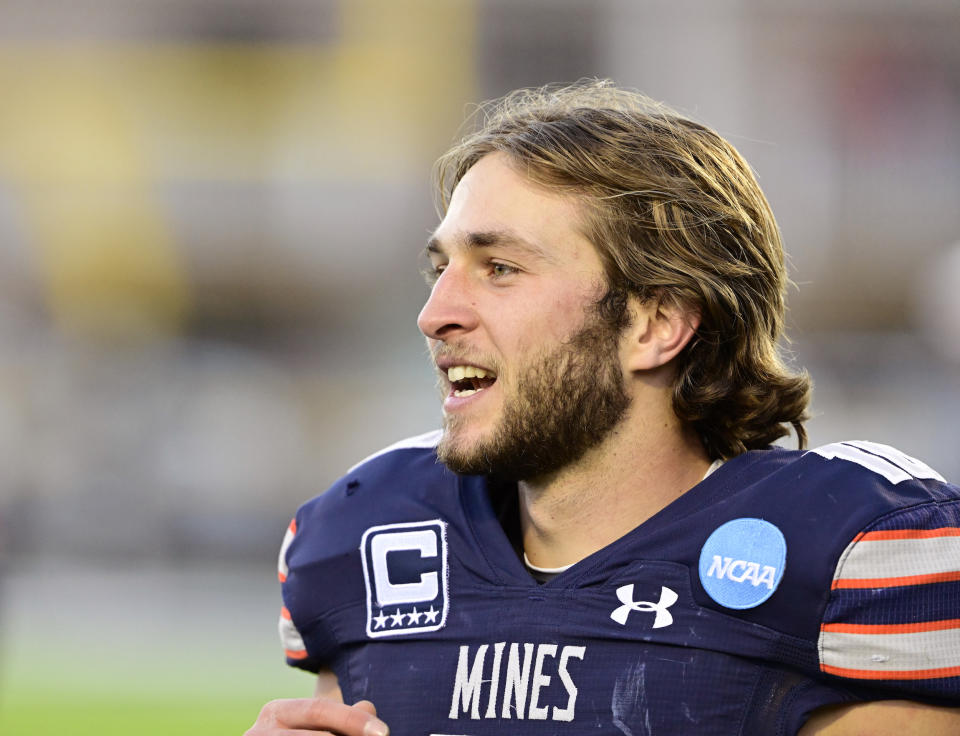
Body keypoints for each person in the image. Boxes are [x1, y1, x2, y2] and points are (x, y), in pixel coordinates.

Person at [246, 81, 960, 735]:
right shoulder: (366, 529)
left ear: (656, 324)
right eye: (442, 269)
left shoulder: (852, 554)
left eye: (500, 269)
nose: (435, 313)